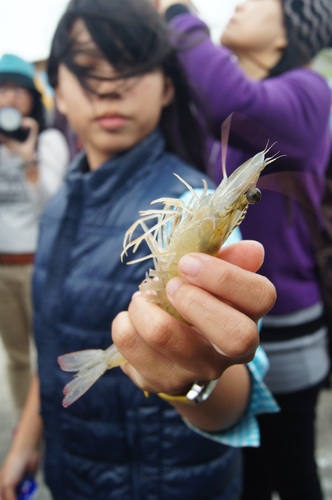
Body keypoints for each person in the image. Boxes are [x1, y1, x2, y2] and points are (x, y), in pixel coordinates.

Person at [0, 1, 278, 499]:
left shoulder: (192, 196)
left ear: (167, 86)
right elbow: (51, 339)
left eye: (130, 64)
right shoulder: (61, 201)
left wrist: (197, 383)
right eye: (87, 68)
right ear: (57, 91)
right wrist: (25, 439)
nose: (109, 86)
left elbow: (234, 398)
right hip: (72, 478)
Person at [154, 0, 332, 498]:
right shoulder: (236, 117)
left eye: (257, 2)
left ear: (287, 35)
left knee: (293, 471)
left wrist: (175, 13)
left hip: (287, 329)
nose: (238, 4)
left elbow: (225, 97)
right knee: (246, 479)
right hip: (216, 323)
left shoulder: (309, 89)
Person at [0, 53, 70, 413]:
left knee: (50, 352)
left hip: (39, 265)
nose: (9, 97)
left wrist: (27, 159)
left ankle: (50, 421)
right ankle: (26, 433)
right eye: (2, 89)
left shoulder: (49, 142)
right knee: (15, 356)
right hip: (2, 270)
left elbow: (54, 207)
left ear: (32, 96)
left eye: (18, 89)